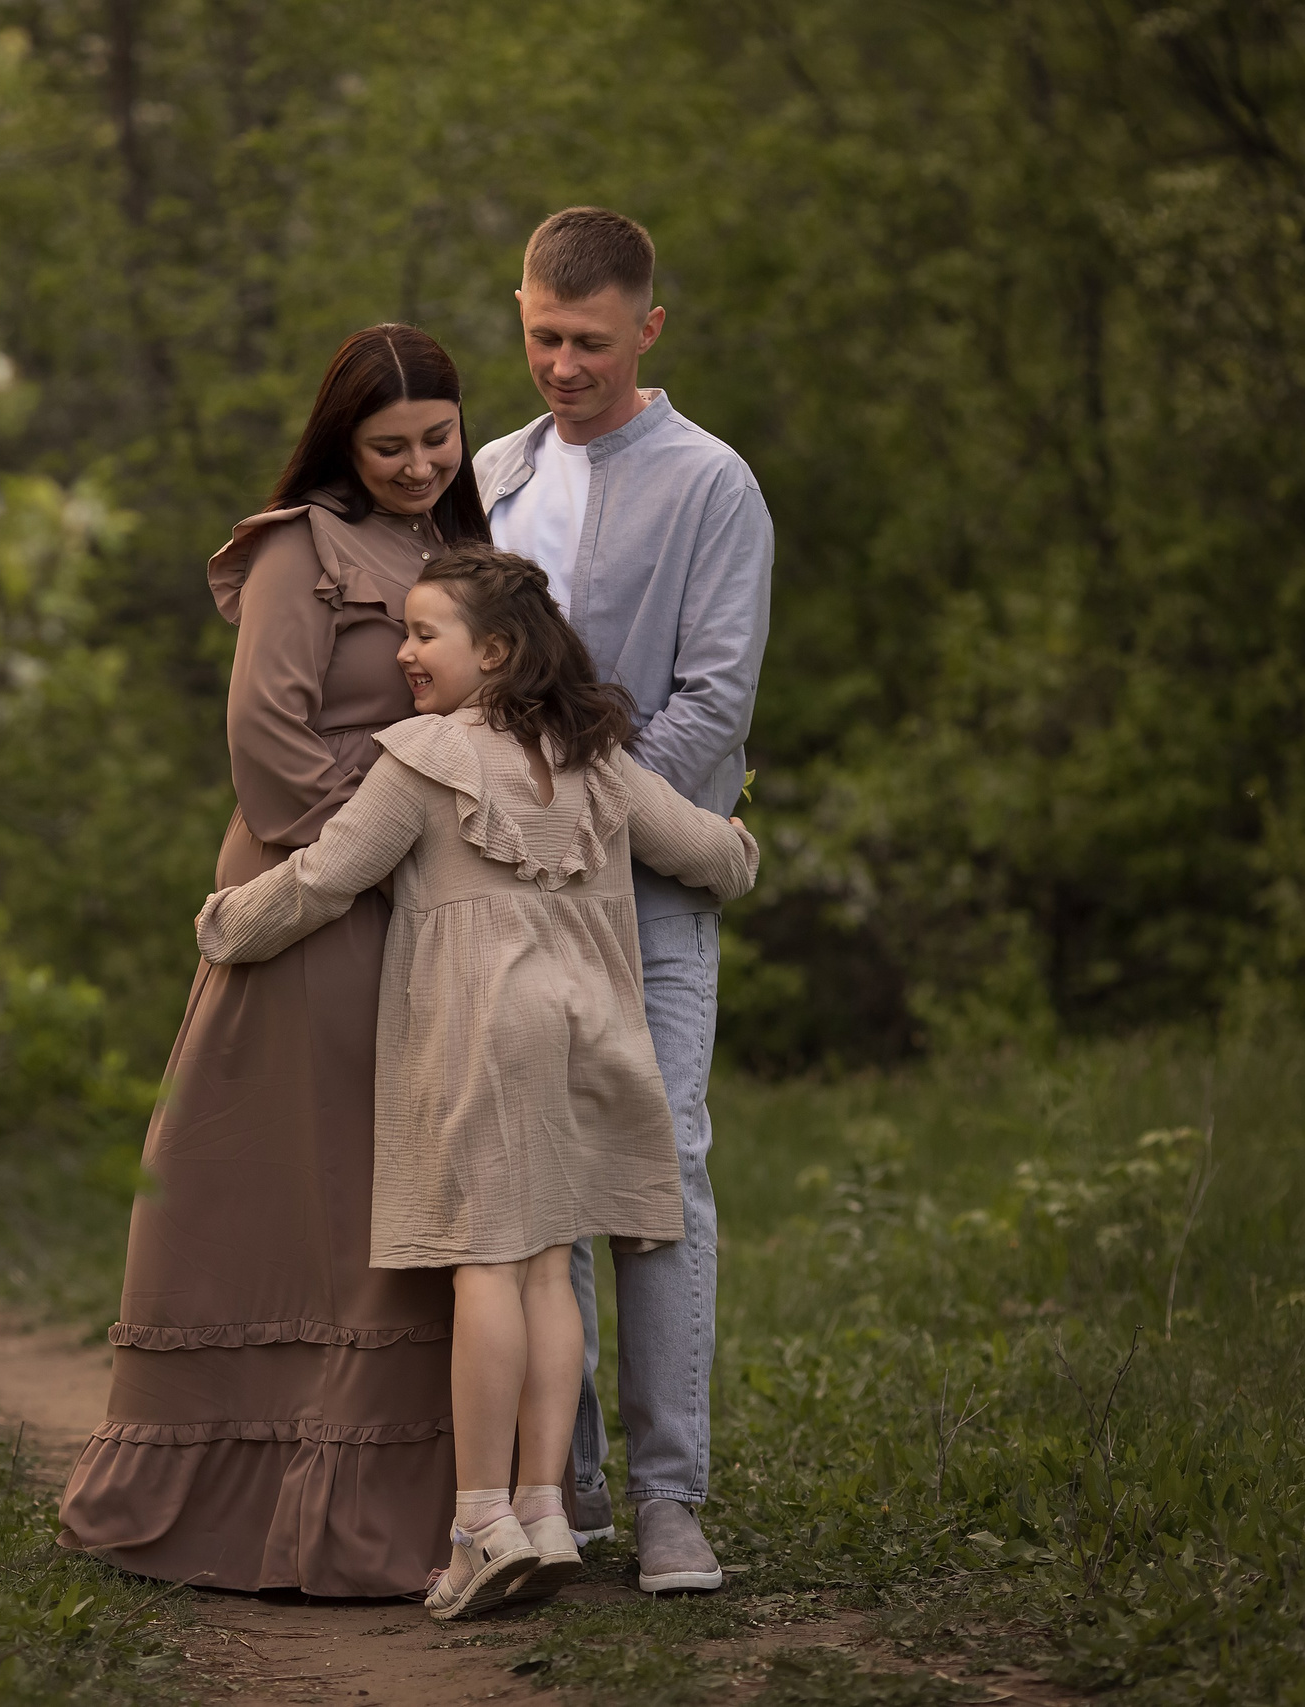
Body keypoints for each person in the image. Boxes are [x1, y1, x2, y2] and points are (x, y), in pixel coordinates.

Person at [194, 546, 758, 1619]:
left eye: (423, 634)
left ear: (492, 652)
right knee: (548, 1273)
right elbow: (711, 857)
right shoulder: (598, 758)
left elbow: (326, 876)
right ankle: (545, 1509)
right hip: (589, 1035)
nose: (402, 654)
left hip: (482, 1036)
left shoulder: (423, 759)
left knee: (486, 1273)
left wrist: (225, 924)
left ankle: (478, 1524)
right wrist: (741, 845)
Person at [55, 325, 491, 1596]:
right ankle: (242, 1507)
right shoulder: (299, 548)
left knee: (405, 1197)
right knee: (301, 1193)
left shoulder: (463, 549)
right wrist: (405, 820)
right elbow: (269, 749)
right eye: (388, 445)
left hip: (438, 910)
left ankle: (398, 1511)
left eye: (437, 438)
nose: (417, 464)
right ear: (339, 443)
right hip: (314, 900)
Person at [472, 207, 774, 1595]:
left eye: (591, 342)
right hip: (507, 900)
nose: (563, 367)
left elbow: (715, 700)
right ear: (520, 314)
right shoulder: (491, 477)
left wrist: (582, 814)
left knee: (657, 1184)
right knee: (540, 1186)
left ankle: (669, 1498)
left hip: (646, 894)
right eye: (543, 336)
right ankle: (569, 1487)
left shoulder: (713, 484)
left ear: (648, 329)